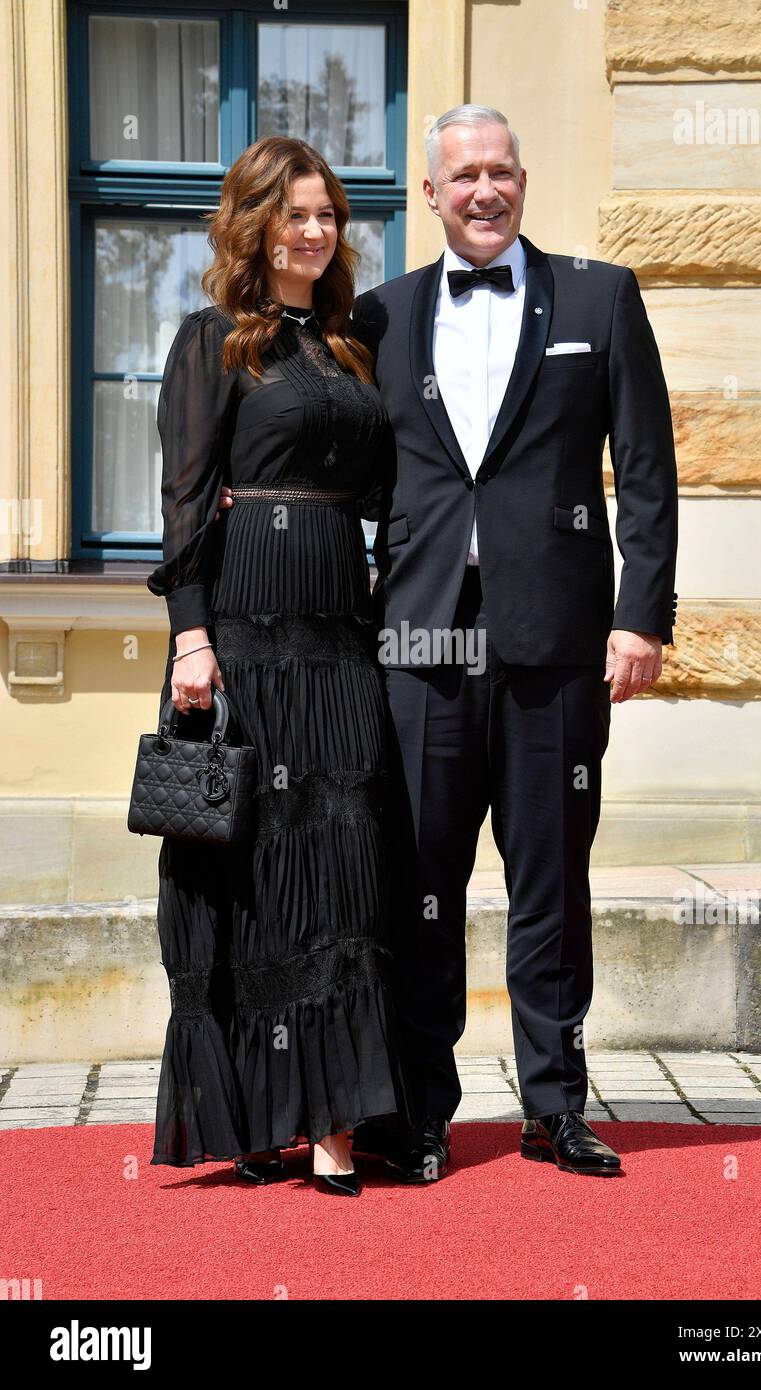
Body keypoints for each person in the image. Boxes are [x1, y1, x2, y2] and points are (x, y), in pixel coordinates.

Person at [345, 105, 679, 1181]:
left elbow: (647, 468)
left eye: (500, 171)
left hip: (556, 644)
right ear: (432, 195)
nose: (483, 190)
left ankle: (552, 1105)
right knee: (421, 886)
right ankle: (421, 1111)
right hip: (421, 642)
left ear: (522, 183)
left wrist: (642, 616)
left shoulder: (600, 296)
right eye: (462, 175)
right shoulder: (380, 317)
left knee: (552, 884)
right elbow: (346, 476)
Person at [146, 134, 411, 1194]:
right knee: (256, 871)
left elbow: (393, 495)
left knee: (343, 864)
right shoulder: (212, 341)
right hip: (246, 633)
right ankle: (262, 1115)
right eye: (295, 213)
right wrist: (192, 638)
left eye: (328, 214)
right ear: (253, 223)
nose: (315, 232)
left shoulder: (352, 345)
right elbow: (179, 504)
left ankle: (335, 1117)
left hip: (340, 642)